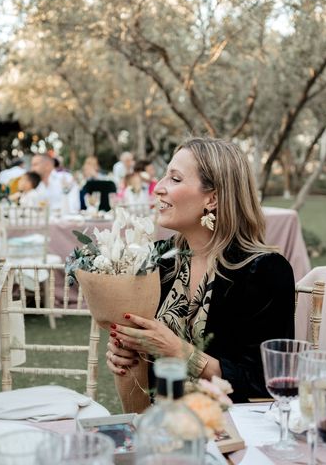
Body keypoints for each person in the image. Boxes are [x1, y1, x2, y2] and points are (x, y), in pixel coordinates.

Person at [105, 137, 295, 402]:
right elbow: (150, 361)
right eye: (163, 177)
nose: (158, 188)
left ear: (213, 198)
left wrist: (181, 353)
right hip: (162, 424)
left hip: (231, 430)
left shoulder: (264, 272)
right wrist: (129, 352)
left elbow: (265, 383)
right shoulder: (161, 260)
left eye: (175, 179)